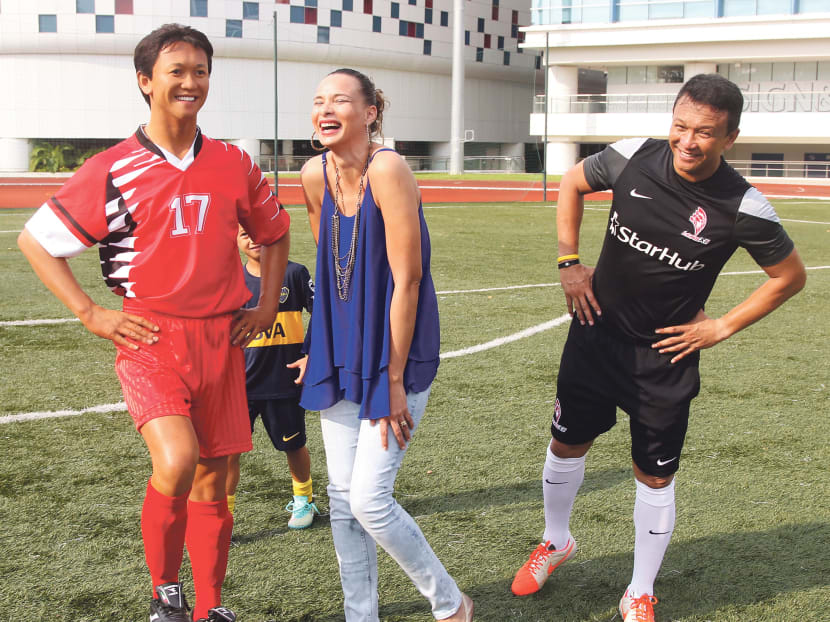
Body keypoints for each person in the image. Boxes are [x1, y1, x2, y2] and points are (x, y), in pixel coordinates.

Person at [17, 24, 290, 622]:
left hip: (220, 337)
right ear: (145, 82)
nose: (190, 82)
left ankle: (211, 607)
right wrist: (90, 311)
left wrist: (266, 304)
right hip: (151, 337)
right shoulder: (113, 168)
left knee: (215, 482)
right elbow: (37, 241)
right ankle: (165, 591)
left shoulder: (232, 162)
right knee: (176, 461)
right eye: (176, 71)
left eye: (200, 71)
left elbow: (274, 233)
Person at [510, 73, 806, 622]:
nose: (688, 142)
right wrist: (568, 263)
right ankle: (556, 542)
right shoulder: (633, 156)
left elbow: (788, 277)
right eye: (681, 126)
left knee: (655, 474)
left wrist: (720, 327)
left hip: (663, 359)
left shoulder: (745, 205)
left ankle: (639, 590)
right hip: (595, 335)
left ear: (730, 137)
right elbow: (572, 183)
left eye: (705, 133)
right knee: (566, 444)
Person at [296, 68, 473, 622]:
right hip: (340, 349)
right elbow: (331, 268)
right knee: (343, 502)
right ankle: (360, 615)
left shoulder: (389, 168)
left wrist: (393, 378)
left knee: (370, 499)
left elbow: (408, 279)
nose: (326, 109)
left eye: (341, 100)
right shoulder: (313, 174)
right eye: (319, 100)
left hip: (396, 350)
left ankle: (450, 605)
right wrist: (319, 344)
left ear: (371, 112)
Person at [226, 226, 319, 529]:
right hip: (239, 385)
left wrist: (310, 354)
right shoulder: (231, 280)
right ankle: (222, 515)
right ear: (235, 241)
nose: (253, 237)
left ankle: (305, 499)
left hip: (284, 381)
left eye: (256, 230)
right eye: (243, 234)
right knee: (228, 452)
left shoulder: (293, 273)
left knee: (294, 444)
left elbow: (322, 313)